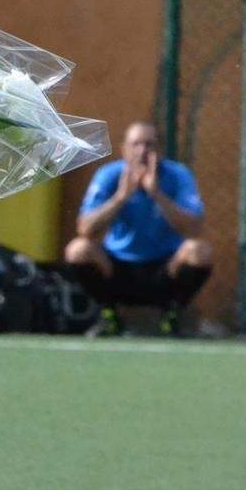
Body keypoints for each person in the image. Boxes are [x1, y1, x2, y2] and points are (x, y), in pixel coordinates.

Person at [63, 120, 214, 336]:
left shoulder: (178, 175)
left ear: (160, 149)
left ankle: (172, 316)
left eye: (149, 145)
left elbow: (194, 230)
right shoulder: (109, 175)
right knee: (78, 250)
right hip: (119, 268)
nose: (142, 151)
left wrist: (156, 193)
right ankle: (109, 316)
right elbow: (85, 229)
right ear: (124, 149)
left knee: (200, 251)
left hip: (164, 269)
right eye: (136, 145)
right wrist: (120, 197)